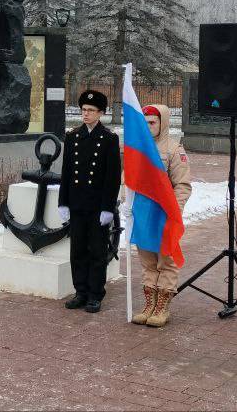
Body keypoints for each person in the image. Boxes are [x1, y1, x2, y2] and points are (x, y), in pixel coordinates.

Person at [58, 90, 122, 313]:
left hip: (97, 206)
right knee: (77, 250)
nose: (86, 114)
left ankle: (95, 294)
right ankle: (80, 292)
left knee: (96, 250)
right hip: (76, 204)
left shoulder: (109, 138)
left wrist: (108, 208)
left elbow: (112, 177)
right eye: (83, 109)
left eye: (91, 110)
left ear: (101, 113)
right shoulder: (73, 136)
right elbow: (66, 172)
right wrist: (63, 202)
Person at [131, 104, 192, 328]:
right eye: (144, 123)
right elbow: (129, 179)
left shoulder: (174, 150)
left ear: (162, 123)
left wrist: (175, 212)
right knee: (147, 261)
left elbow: (183, 185)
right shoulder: (138, 149)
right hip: (143, 212)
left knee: (166, 260)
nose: (148, 127)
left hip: (164, 213)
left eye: (152, 123)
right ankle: (149, 305)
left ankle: (162, 307)